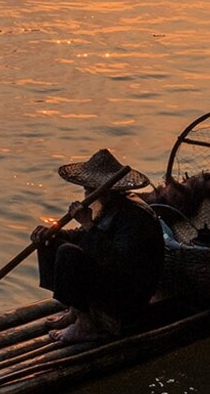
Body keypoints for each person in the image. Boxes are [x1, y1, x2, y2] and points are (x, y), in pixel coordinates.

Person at [32, 148, 167, 345]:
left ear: (105, 189)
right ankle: (76, 311)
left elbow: (117, 261)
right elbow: (82, 236)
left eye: (89, 188)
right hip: (112, 278)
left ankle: (86, 325)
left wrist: (88, 225)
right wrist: (54, 233)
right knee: (50, 242)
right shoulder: (109, 206)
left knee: (68, 253)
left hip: (129, 295)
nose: (86, 193)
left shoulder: (135, 216)